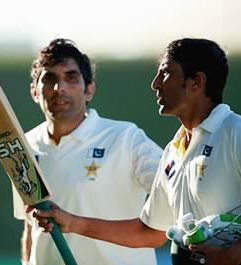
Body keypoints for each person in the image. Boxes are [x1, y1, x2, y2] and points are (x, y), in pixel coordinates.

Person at [30, 38, 241, 265]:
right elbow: (148, 231)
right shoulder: (173, 151)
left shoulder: (239, 132)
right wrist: (71, 222)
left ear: (196, 82)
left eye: (165, 73)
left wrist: (234, 254)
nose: (155, 83)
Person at [13, 38, 163, 265]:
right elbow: (29, 224)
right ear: (35, 91)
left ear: (89, 90)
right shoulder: (23, 146)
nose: (59, 87)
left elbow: (173, 204)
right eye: (50, 79)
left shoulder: (127, 138)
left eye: (71, 78)